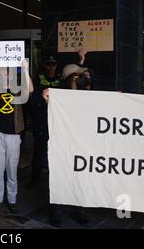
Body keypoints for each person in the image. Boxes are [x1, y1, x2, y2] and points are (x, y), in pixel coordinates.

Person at [42, 62, 92, 227]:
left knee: (80, 178)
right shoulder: (59, 96)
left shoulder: (91, 96)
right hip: (62, 145)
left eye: (85, 77)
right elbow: (50, 105)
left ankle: (79, 210)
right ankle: (55, 211)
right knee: (59, 177)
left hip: (82, 145)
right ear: (70, 79)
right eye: (79, 77)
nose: (84, 80)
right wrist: (48, 97)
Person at [0, 60, 33, 215]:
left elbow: (30, 90)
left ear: (12, 74)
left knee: (11, 170)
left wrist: (25, 69)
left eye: (8, 71)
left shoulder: (18, 89)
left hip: (13, 136)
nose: (5, 73)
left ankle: (12, 200)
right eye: (3, 71)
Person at [26, 56, 62, 189]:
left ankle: (56, 184)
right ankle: (34, 181)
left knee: (57, 154)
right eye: (49, 64)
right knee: (38, 153)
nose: (51, 67)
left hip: (56, 122)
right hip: (41, 121)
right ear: (45, 65)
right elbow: (32, 99)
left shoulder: (61, 80)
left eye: (53, 64)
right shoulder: (38, 79)